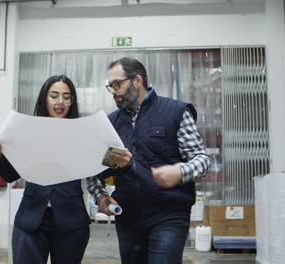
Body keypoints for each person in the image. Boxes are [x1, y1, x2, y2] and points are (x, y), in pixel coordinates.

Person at [87, 57, 210, 264]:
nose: (113, 91)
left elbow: (202, 160)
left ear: (137, 80)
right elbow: (94, 171)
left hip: (169, 215)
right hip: (128, 217)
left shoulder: (175, 112)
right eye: (110, 86)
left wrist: (179, 171)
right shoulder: (111, 123)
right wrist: (100, 197)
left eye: (117, 84)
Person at [0, 75, 90, 264]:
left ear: (72, 101)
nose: (60, 101)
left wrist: (116, 162)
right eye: (54, 95)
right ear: (44, 98)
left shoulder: (82, 133)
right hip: (31, 218)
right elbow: (10, 175)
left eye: (67, 97)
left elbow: (99, 170)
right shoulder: (27, 131)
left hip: (71, 220)